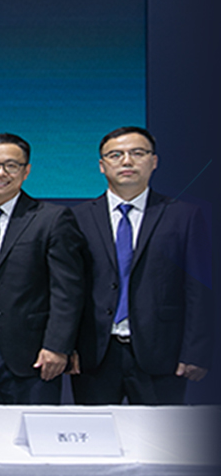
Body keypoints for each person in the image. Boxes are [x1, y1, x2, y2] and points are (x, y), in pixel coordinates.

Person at [69, 126, 213, 404]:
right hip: (95, 354)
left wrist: (196, 352)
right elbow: (68, 290)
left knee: (160, 431)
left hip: (162, 353)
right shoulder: (77, 218)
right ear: (102, 165)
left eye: (138, 153)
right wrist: (66, 347)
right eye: (115, 155)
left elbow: (199, 290)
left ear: (154, 161)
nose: (127, 161)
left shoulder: (184, 216)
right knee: (96, 430)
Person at [0, 133, 86, 405]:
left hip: (33, 351)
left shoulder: (51, 219)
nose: (1, 173)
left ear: (26, 171)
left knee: (35, 427)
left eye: (11, 165)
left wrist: (57, 346)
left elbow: (68, 290)